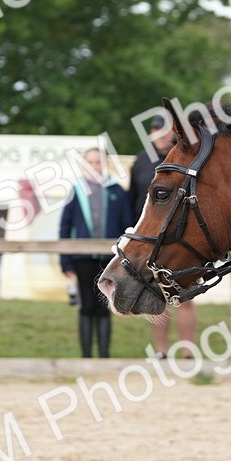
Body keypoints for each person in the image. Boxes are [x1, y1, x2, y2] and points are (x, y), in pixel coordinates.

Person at [129, 115, 198, 357]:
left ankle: (188, 351)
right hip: (148, 238)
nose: (158, 135)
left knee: (185, 295)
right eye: (155, 130)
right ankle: (161, 351)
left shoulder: (184, 158)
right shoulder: (141, 161)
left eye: (163, 130)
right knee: (156, 294)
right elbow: (133, 200)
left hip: (177, 237)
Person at [60, 147, 135, 358]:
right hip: (82, 259)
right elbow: (64, 228)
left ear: (105, 164)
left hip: (108, 260)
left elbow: (127, 226)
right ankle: (86, 357)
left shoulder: (117, 191)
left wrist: (125, 260)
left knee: (105, 306)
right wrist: (65, 262)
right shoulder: (75, 191)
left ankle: (104, 356)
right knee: (86, 306)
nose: (94, 166)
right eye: (90, 162)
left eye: (98, 162)